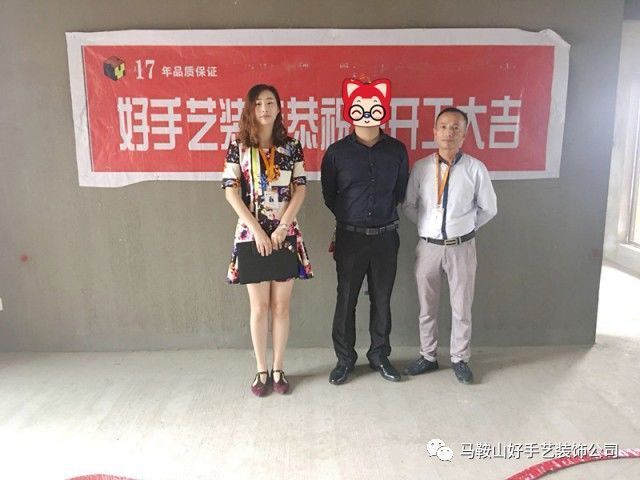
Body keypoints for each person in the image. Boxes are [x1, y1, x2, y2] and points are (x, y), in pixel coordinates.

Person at [222, 84, 313, 396]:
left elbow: (300, 188)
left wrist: (283, 225)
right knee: (260, 307)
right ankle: (261, 369)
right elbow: (231, 191)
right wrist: (258, 230)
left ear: (279, 107)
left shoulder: (292, 146)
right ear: (251, 108)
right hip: (252, 235)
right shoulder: (239, 146)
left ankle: (278, 368)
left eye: (270, 102)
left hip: (285, 234)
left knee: (281, 306)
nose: (264, 108)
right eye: (258, 103)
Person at [321, 78, 409, 385]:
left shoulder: (397, 150)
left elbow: (400, 191)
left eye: (375, 106)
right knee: (346, 299)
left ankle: (379, 355)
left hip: (386, 237)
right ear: (350, 109)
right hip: (350, 238)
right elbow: (329, 195)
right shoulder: (336, 153)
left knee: (381, 299)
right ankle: (345, 360)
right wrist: (351, 218)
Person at [402, 107, 497, 384]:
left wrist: (465, 228)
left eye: (455, 128)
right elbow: (409, 205)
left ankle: (460, 358)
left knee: (461, 307)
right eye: (443, 127)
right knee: (426, 307)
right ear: (434, 132)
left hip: (461, 247)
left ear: (464, 135)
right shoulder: (421, 168)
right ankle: (428, 356)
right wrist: (427, 227)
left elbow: (489, 208)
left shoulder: (475, 169)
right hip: (428, 248)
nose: (448, 133)